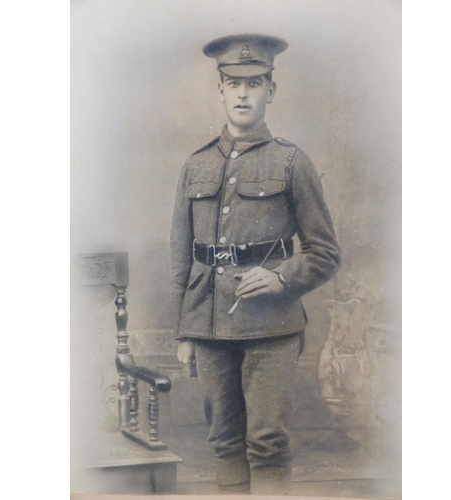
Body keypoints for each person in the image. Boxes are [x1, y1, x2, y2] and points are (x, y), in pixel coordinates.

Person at [170, 34, 341, 495]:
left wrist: (281, 275)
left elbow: (325, 253)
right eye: (233, 83)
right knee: (224, 441)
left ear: (271, 90)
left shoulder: (291, 162)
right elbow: (181, 257)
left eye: (255, 83)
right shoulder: (195, 164)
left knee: (266, 440)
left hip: (272, 328)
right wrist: (184, 331)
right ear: (220, 90)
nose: (243, 93)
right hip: (207, 325)